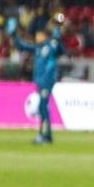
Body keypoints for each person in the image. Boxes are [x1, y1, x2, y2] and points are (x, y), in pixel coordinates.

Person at [31, 15, 64, 143]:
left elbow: (60, 50)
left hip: (47, 80)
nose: (37, 37)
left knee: (43, 106)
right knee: (42, 106)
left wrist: (58, 34)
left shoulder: (52, 46)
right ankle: (46, 134)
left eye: (39, 35)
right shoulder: (40, 48)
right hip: (41, 80)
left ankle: (45, 134)